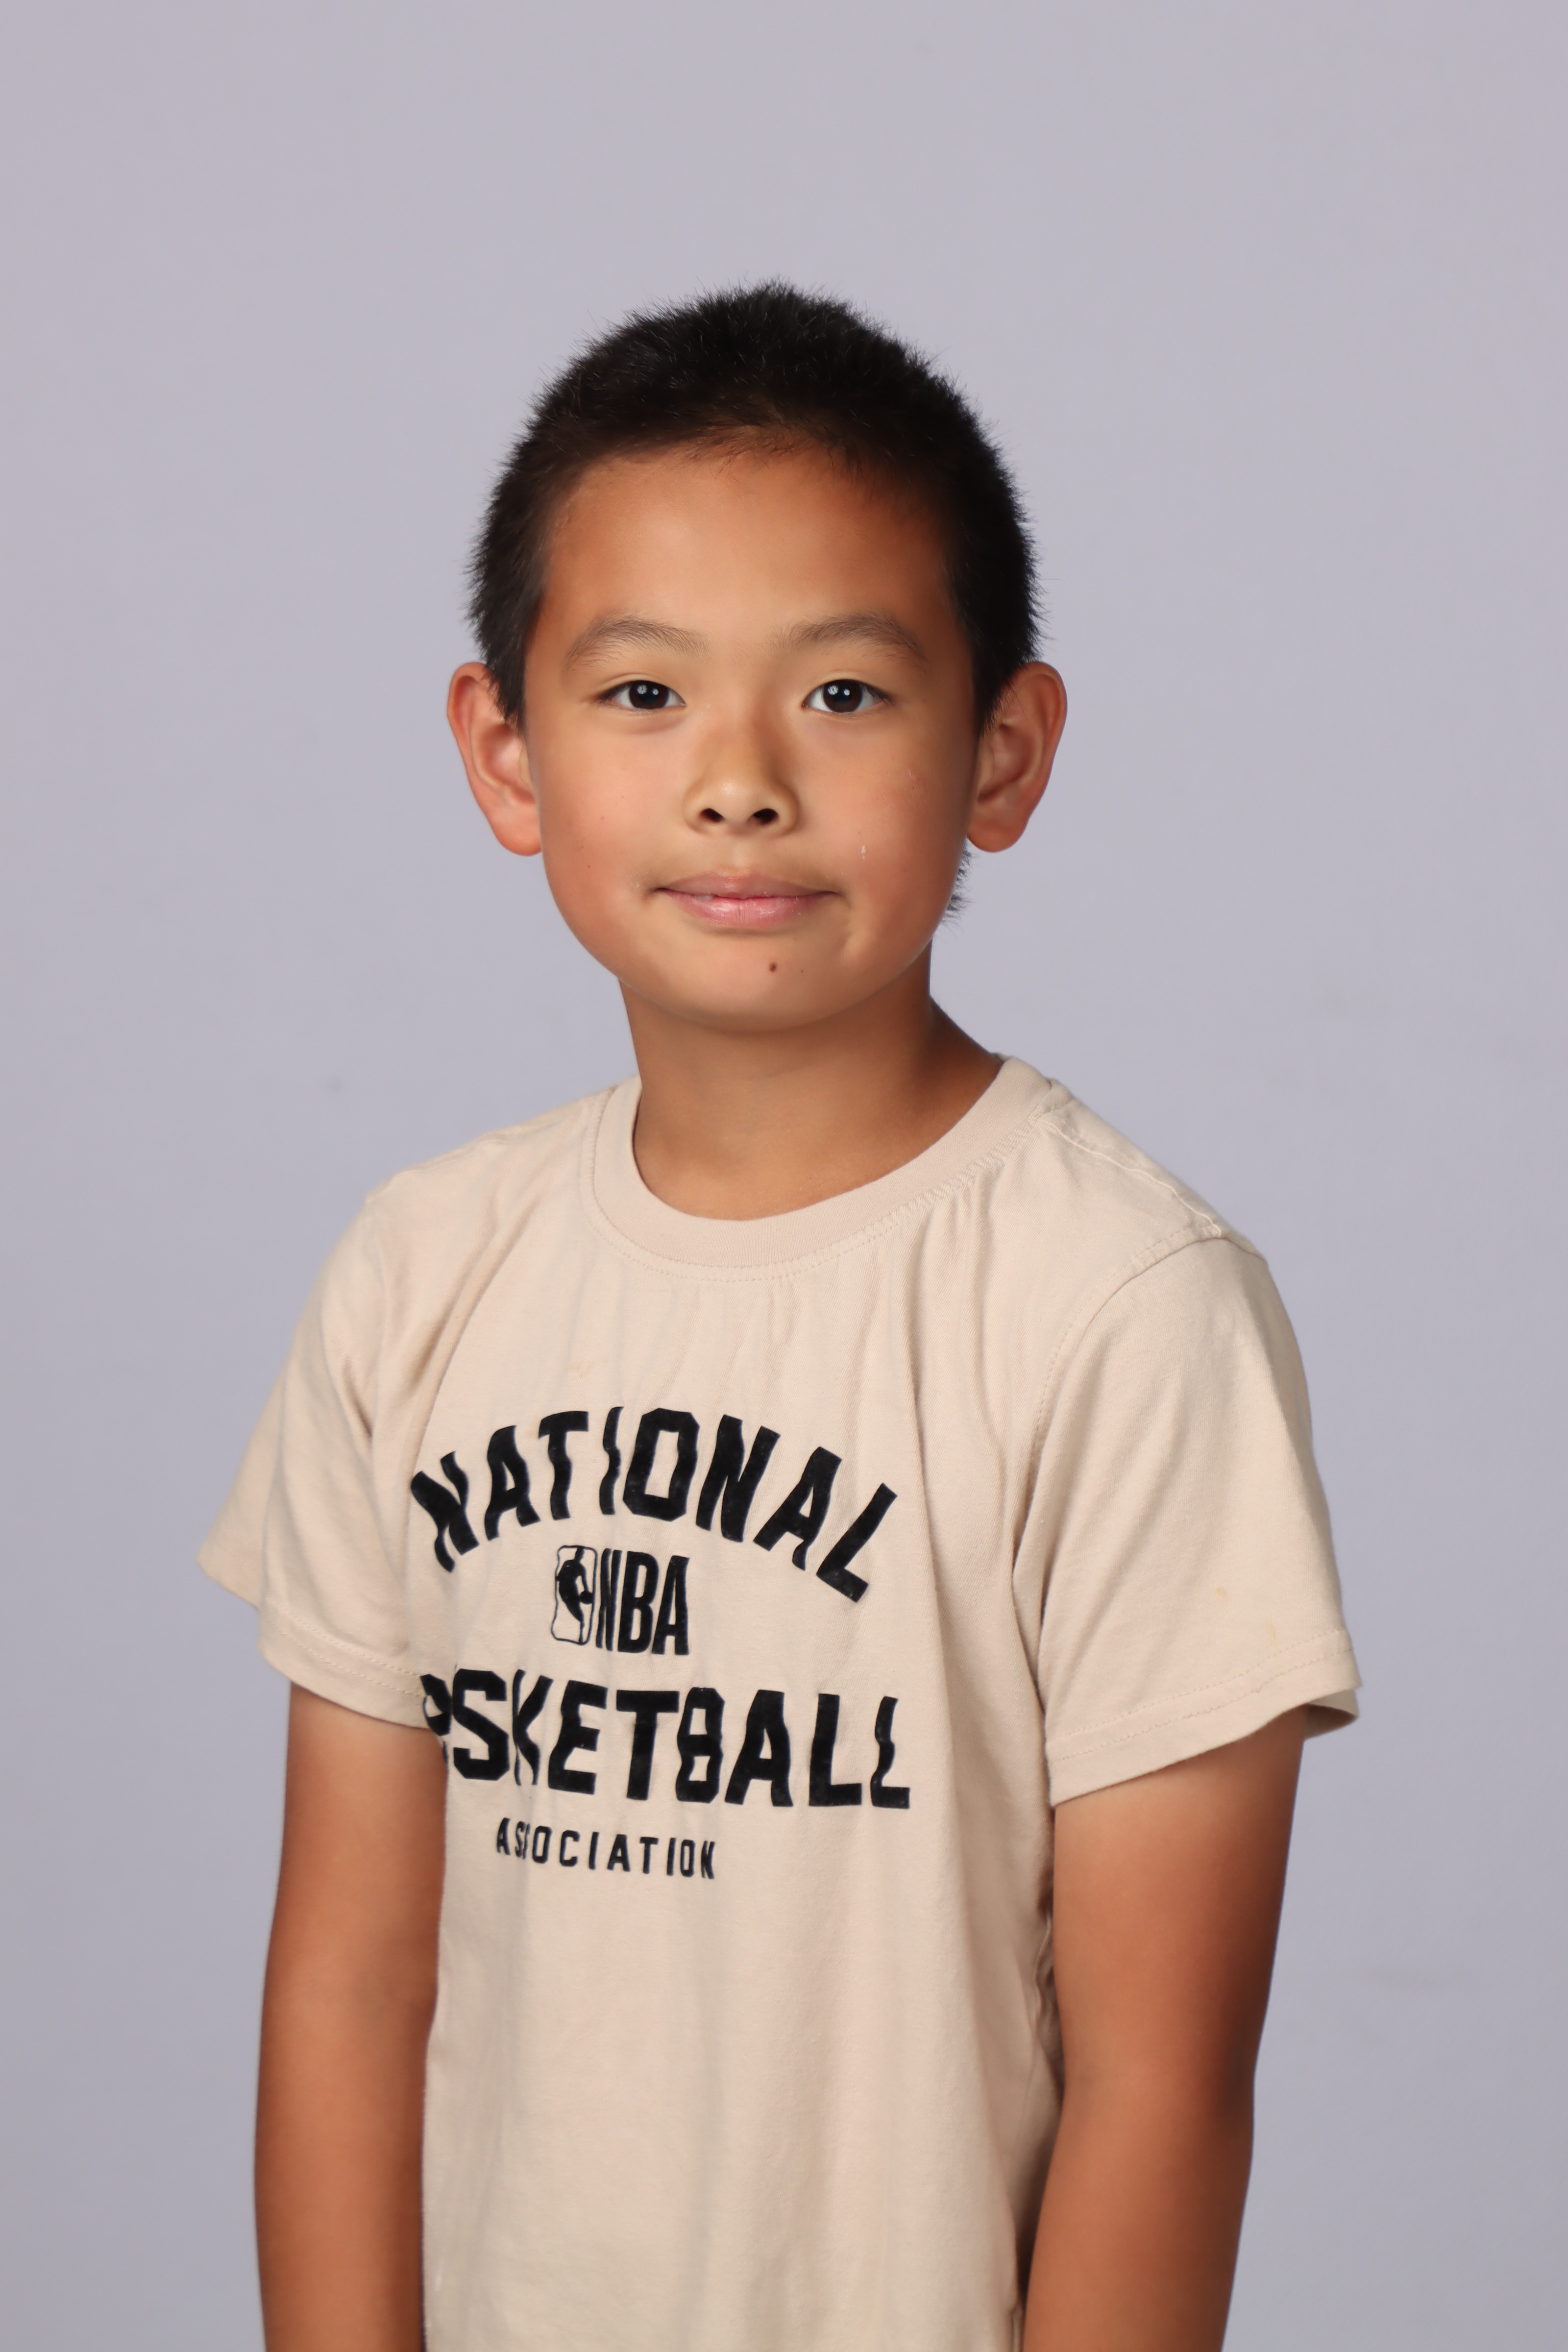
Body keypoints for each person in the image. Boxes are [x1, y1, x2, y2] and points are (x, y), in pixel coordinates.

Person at [201, 284, 1359, 2352]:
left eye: (842, 693)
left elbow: (1162, 2088)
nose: (738, 781)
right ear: (506, 754)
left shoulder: (1118, 1309)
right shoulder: (419, 1273)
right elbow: (353, 1982)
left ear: (1001, 750)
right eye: (644, 692)